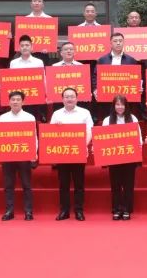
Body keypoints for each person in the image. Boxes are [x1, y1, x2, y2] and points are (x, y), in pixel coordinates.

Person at [49, 87, 94, 221]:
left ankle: (79, 210)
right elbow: (50, 133)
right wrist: (55, 127)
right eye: (67, 97)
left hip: (78, 153)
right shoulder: (57, 114)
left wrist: (83, 145)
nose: (69, 99)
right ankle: (64, 211)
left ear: (77, 98)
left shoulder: (84, 112)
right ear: (62, 99)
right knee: (63, 184)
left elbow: (90, 131)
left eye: (72, 96)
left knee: (79, 184)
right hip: (62, 154)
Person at [101, 95, 141, 221]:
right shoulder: (107, 120)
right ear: (113, 106)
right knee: (115, 185)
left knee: (128, 185)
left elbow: (139, 138)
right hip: (113, 157)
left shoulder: (132, 118)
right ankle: (117, 209)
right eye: (117, 104)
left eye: (122, 104)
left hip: (129, 157)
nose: (120, 107)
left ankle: (127, 209)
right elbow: (102, 138)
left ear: (126, 106)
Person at [0, 92, 37, 221]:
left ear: (23, 102)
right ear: (9, 102)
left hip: (24, 155)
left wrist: (34, 152)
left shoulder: (29, 117)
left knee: (26, 185)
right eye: (13, 99)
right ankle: (9, 211)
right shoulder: (3, 118)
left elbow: (34, 136)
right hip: (8, 155)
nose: (15, 102)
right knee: (8, 185)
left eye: (18, 99)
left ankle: (28, 211)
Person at [95, 32, 140, 118]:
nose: (118, 43)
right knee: (108, 120)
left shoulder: (131, 60)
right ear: (110, 43)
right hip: (107, 98)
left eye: (120, 41)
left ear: (123, 42)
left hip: (125, 98)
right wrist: (95, 89)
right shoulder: (102, 60)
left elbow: (136, 78)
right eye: (115, 41)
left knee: (125, 120)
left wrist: (138, 87)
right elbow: (95, 76)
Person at [9, 35, 47, 122]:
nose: (24, 47)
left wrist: (45, 95)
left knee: (32, 120)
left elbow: (43, 80)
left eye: (27, 45)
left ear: (31, 47)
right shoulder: (14, 63)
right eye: (22, 45)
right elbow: (10, 81)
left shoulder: (38, 62)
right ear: (19, 48)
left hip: (34, 96)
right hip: (18, 98)